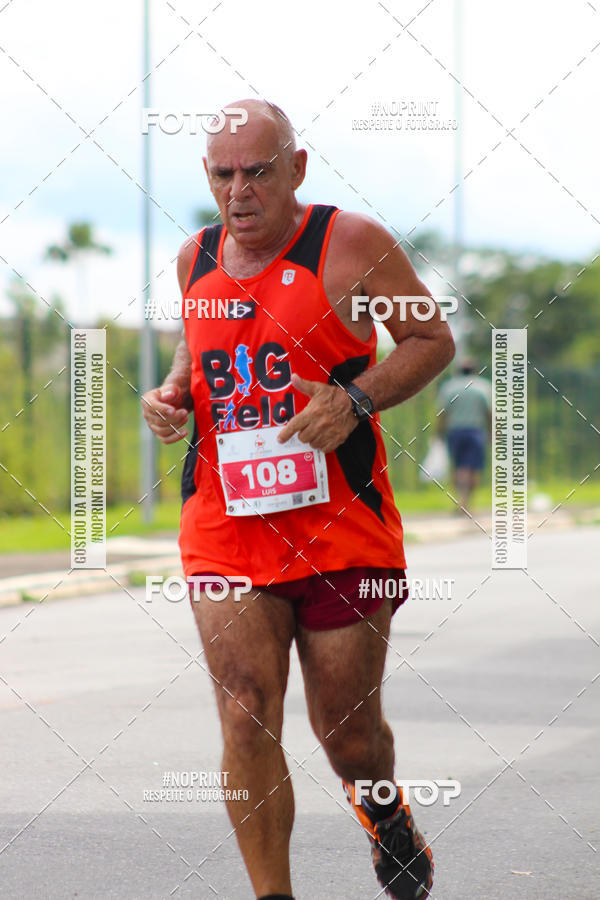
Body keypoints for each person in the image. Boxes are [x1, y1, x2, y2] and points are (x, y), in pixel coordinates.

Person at [142, 98, 455, 900]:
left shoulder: (351, 244)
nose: (239, 192)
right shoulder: (195, 257)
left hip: (340, 526)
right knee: (246, 706)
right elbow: (201, 332)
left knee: (348, 737)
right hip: (226, 523)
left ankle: (383, 814)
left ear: (297, 169)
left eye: (258, 172)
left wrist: (354, 401)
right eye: (222, 175)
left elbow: (431, 340)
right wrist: (175, 392)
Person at [437, 359, 492, 512]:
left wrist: (439, 433)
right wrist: (493, 432)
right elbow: (489, 413)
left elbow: (442, 414)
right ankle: (467, 502)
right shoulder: (483, 387)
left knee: (458, 466)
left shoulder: (449, 387)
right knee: (473, 467)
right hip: (476, 431)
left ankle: (459, 501)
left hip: (454, 431)